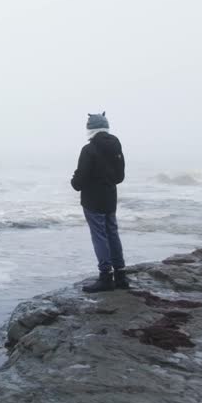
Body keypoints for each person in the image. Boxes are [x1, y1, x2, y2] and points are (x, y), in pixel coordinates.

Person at [70, 112, 127, 293]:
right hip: (110, 197)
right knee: (112, 233)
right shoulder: (116, 145)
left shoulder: (89, 149)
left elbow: (80, 179)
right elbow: (120, 176)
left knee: (99, 236)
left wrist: (74, 182)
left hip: (93, 199)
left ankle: (105, 277)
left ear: (90, 129)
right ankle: (120, 275)